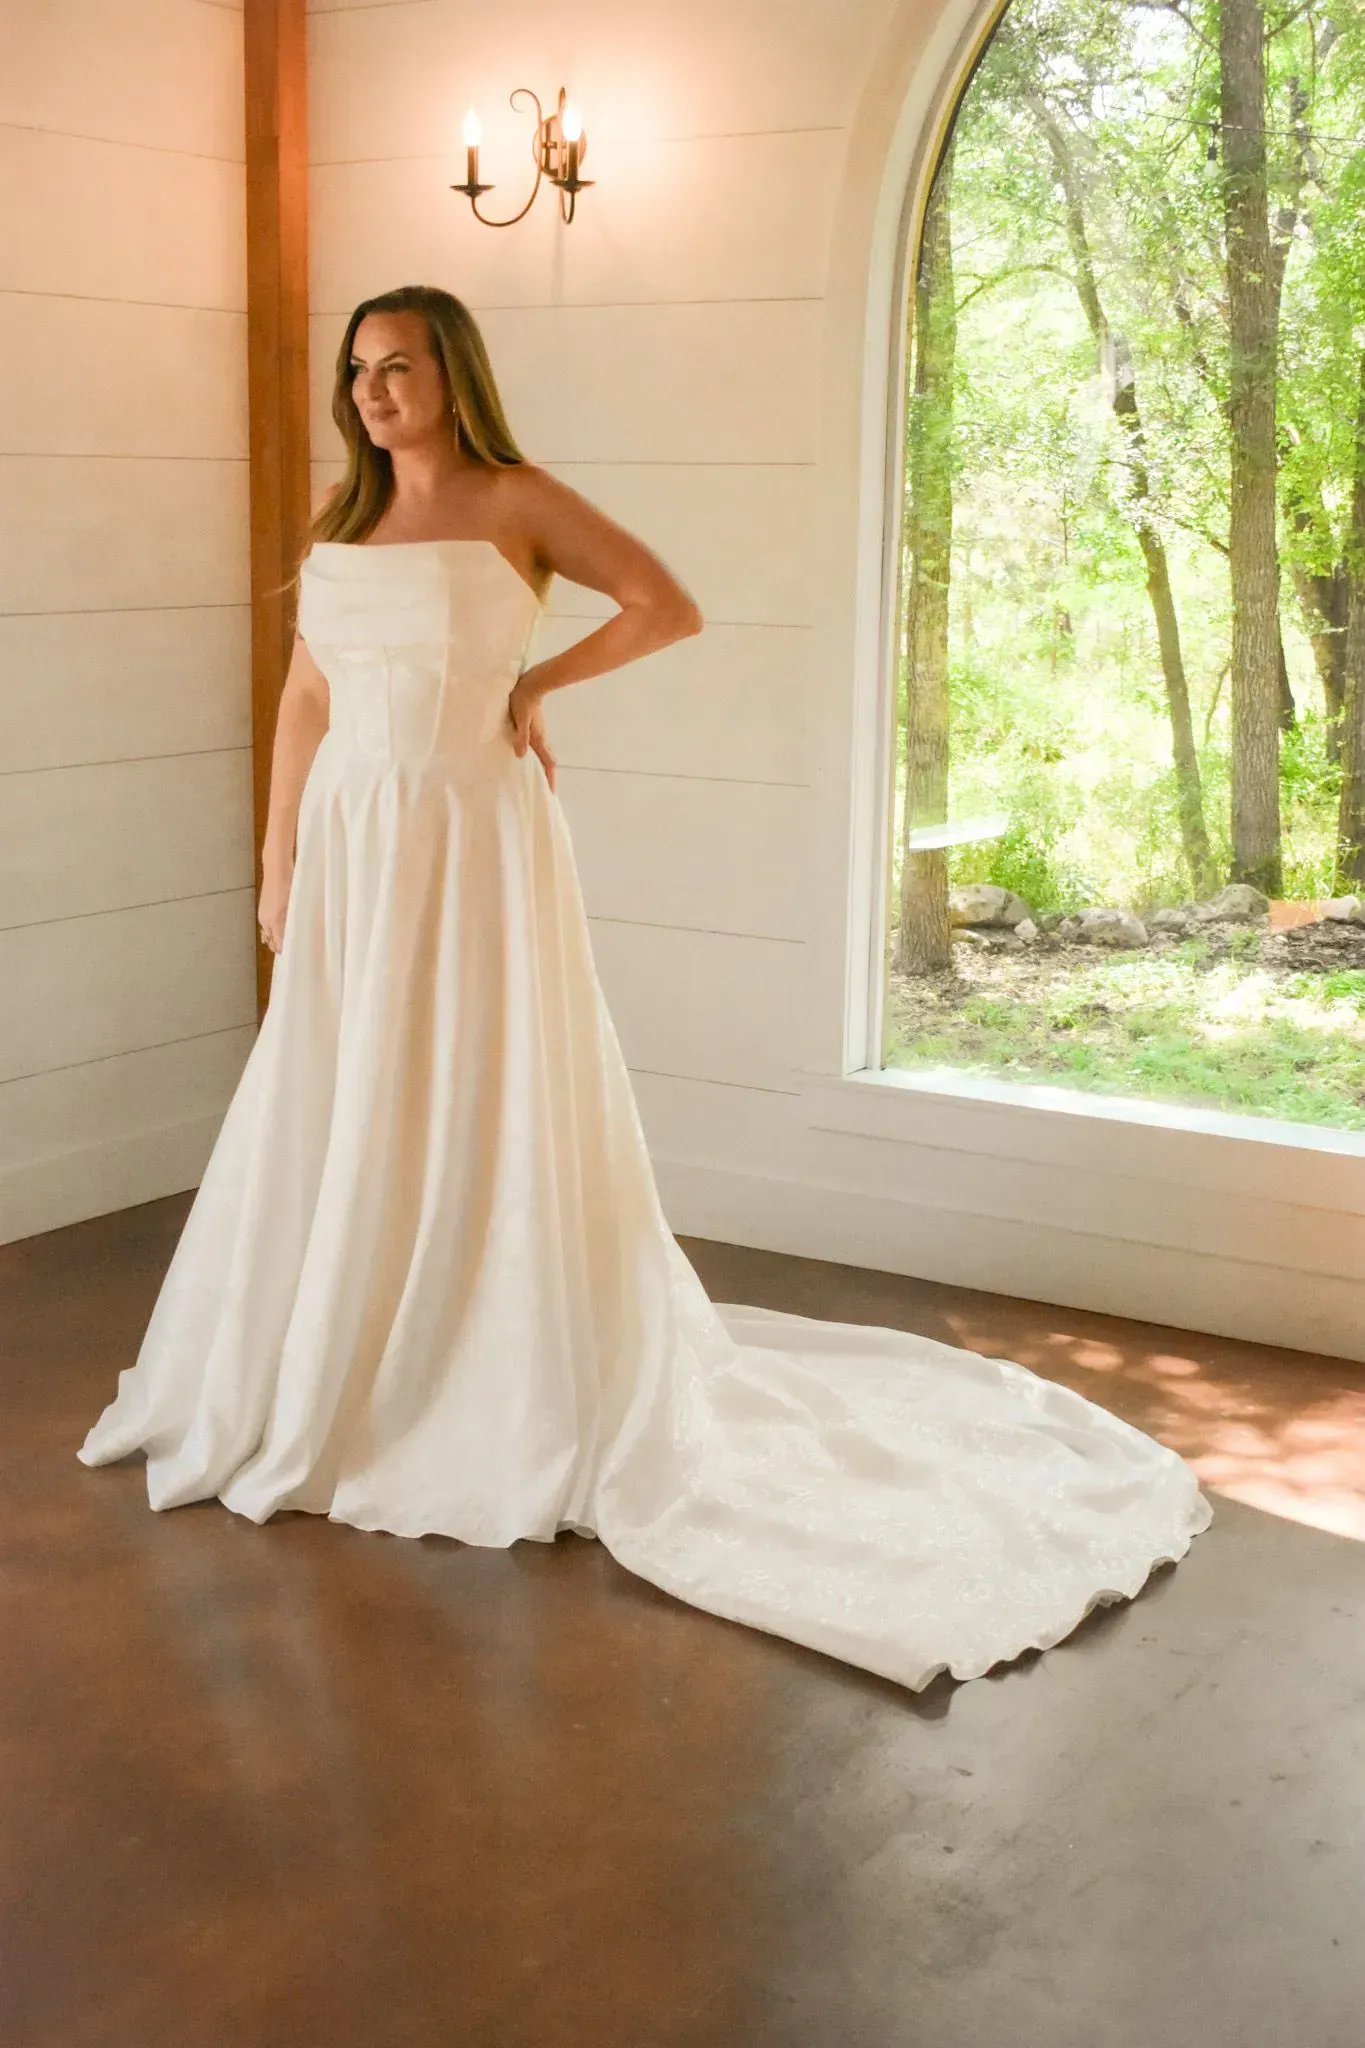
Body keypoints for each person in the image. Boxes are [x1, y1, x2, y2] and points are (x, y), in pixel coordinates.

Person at [78, 285, 1212, 1693]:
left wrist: (531, 685)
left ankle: (476, 1348)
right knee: (347, 1075)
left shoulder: (517, 498)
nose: (372, 390)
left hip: (471, 831)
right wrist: (275, 858)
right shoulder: (343, 521)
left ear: (453, 376)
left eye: (399, 365)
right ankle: (342, 1346)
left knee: (478, 1071)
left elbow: (667, 607)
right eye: (358, 369)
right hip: (356, 837)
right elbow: (308, 699)